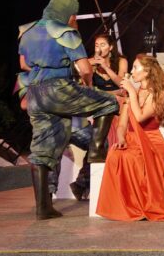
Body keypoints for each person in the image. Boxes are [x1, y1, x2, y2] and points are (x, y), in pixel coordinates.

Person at [15, 0, 119, 219]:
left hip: (35, 93)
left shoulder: (28, 30)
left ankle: (43, 208)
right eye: (75, 16)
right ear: (68, 14)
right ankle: (96, 150)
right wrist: (88, 84)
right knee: (109, 102)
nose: (76, 21)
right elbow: (84, 68)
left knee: (41, 151)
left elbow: (24, 64)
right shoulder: (65, 31)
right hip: (58, 88)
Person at [47, 33, 127, 201]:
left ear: (111, 47)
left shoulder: (119, 61)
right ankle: (48, 192)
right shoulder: (85, 66)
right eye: (97, 45)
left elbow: (123, 87)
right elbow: (89, 92)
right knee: (55, 145)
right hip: (74, 117)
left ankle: (81, 183)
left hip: (104, 110)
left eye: (103, 45)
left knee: (99, 143)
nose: (99, 48)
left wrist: (105, 67)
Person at [96, 55, 164, 221]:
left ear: (147, 72)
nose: (131, 72)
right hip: (132, 139)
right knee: (115, 155)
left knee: (131, 158)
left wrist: (131, 91)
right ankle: (127, 206)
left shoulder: (158, 94)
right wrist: (121, 138)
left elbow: (139, 118)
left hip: (150, 142)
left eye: (135, 68)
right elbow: (122, 124)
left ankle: (143, 205)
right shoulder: (131, 94)